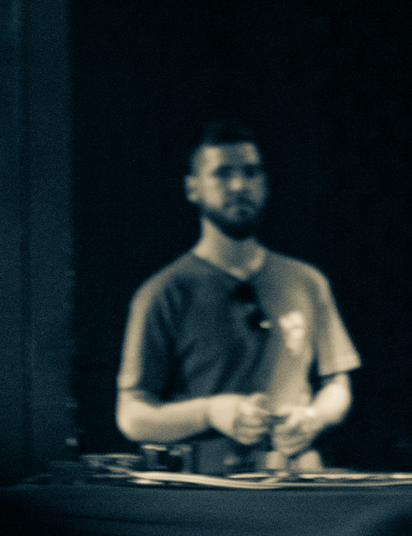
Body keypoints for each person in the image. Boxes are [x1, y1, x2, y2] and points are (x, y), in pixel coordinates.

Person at [117, 122, 360, 475]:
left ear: (266, 182)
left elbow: (337, 384)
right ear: (192, 187)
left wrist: (313, 417)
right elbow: (131, 415)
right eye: (222, 173)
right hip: (209, 492)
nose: (239, 185)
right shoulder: (163, 293)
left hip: (297, 485)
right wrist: (211, 412)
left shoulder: (307, 281)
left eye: (250, 172)